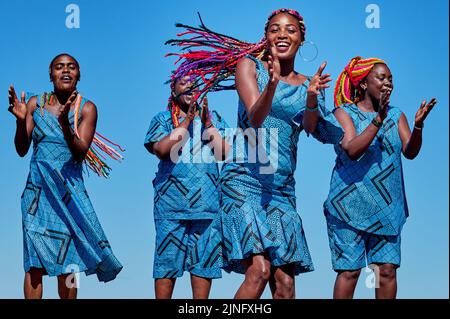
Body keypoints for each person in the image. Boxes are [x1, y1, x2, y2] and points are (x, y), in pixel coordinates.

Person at [166, 8, 343, 298]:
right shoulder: (250, 67)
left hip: (281, 188)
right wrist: (272, 84)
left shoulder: (309, 82)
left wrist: (311, 99)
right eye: (275, 29)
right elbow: (256, 116)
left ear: (302, 38)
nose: (282, 34)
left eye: (290, 29)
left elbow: (312, 128)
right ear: (266, 36)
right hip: (244, 178)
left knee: (285, 285)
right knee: (259, 270)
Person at [8, 53, 123, 299]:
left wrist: (64, 125)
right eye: (59, 67)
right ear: (51, 74)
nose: (65, 70)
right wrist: (20, 122)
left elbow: (80, 153)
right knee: (34, 263)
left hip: (68, 195)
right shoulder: (35, 104)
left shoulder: (86, 108)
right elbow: (21, 149)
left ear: (79, 74)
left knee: (68, 264)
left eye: (71, 67)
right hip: (37, 195)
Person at [324, 56, 437, 299]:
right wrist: (378, 119)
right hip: (348, 207)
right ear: (364, 83)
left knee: (385, 271)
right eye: (381, 77)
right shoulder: (344, 113)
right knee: (350, 272)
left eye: (391, 78)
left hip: (387, 207)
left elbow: (410, 152)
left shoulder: (397, 115)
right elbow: (353, 150)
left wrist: (418, 127)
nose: (388, 83)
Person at [144, 75, 230, 299]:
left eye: (196, 83)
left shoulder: (214, 119)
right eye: (184, 82)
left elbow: (223, 153)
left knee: (203, 265)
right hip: (171, 206)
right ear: (173, 90)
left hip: (207, 206)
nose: (191, 86)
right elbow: (162, 150)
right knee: (166, 264)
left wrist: (207, 123)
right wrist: (186, 123)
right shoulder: (162, 120)